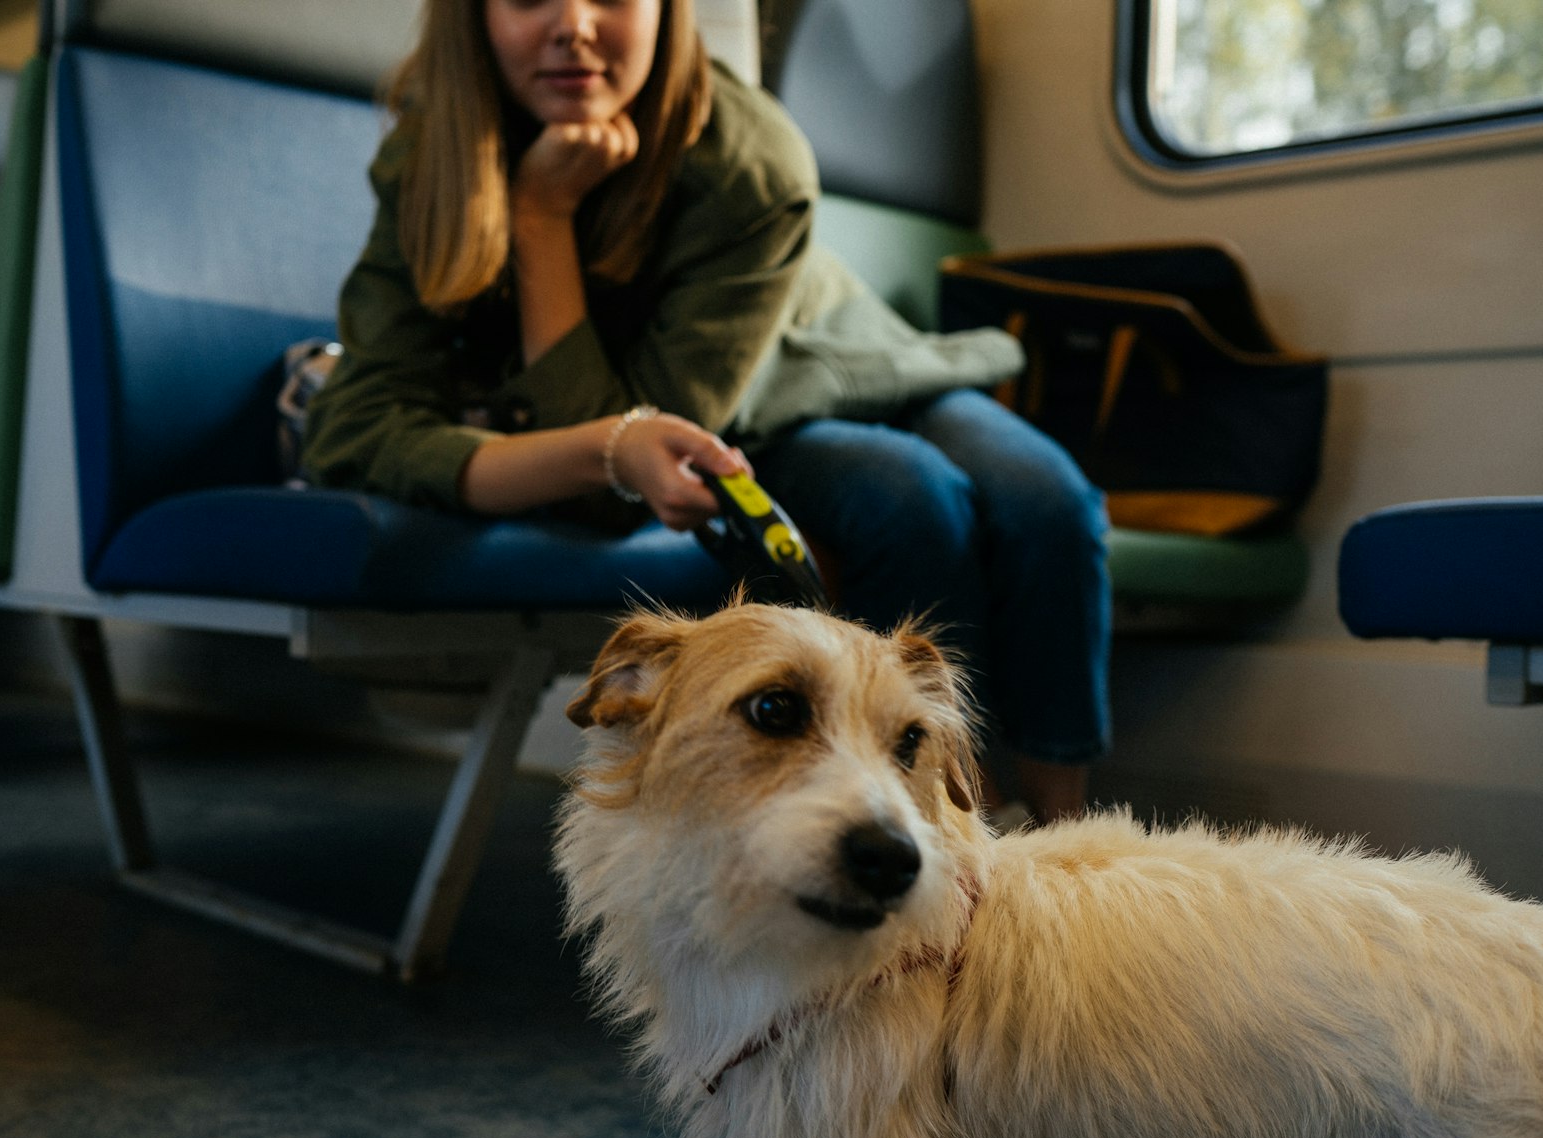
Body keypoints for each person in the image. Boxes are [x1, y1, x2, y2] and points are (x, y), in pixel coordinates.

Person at [302, 0, 1109, 824]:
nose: (573, 24)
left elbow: (621, 432)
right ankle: (965, 829)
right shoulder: (432, 156)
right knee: (910, 498)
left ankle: (1060, 831)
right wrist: (542, 217)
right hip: (747, 423)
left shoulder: (748, 157)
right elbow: (599, 461)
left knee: (1052, 497)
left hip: (864, 367)